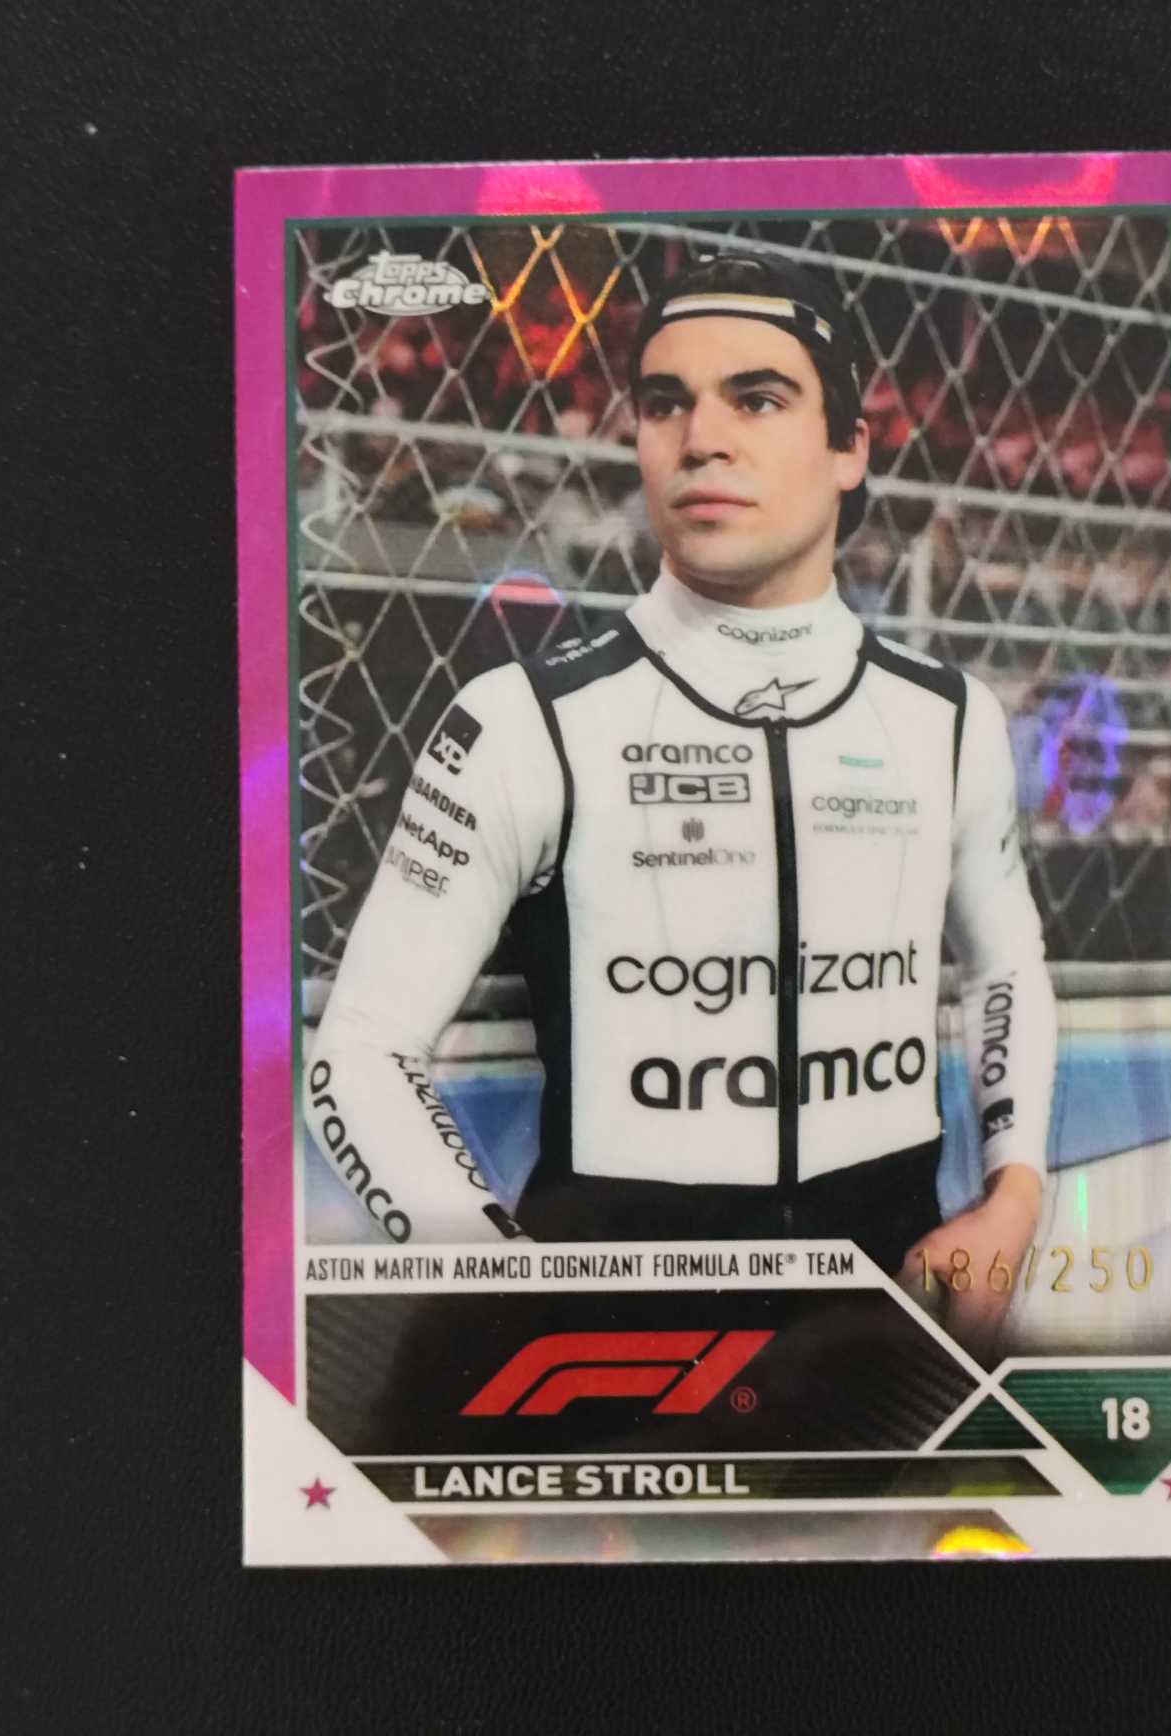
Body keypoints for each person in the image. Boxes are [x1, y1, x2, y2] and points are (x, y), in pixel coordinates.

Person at [306, 251, 1057, 1348]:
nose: (701, 437)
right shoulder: (522, 719)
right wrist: (495, 1276)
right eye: (666, 402)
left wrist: (1014, 1193)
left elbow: (1006, 966)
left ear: (850, 448)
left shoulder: (949, 716)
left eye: (757, 398)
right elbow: (361, 1047)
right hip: (611, 1364)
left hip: (889, 1335)